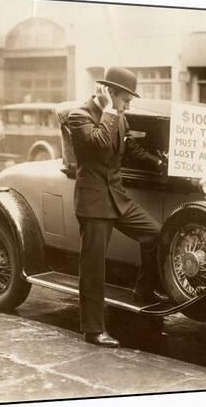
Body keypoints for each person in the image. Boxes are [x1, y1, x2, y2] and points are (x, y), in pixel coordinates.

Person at [68, 67, 167, 348]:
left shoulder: (119, 118)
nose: (128, 105)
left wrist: (157, 162)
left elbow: (129, 148)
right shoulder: (80, 116)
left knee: (155, 234)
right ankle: (93, 330)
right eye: (126, 99)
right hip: (94, 202)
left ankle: (143, 290)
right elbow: (99, 144)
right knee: (93, 268)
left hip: (117, 198)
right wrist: (110, 111)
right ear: (110, 93)